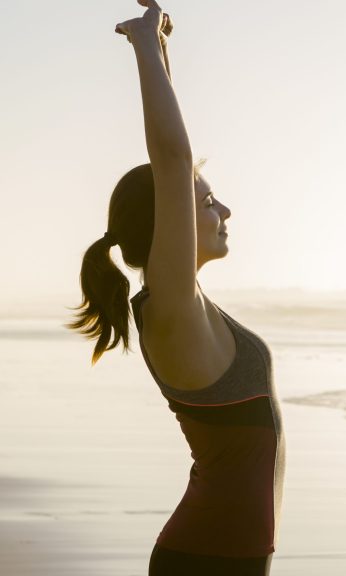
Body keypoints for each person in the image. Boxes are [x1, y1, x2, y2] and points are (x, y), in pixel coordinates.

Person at [67, 1, 286, 574]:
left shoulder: (184, 305)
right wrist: (144, 46)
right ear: (170, 225)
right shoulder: (171, 310)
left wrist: (162, 49)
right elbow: (172, 157)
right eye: (209, 203)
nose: (225, 210)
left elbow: (177, 166)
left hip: (227, 556)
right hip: (206, 560)